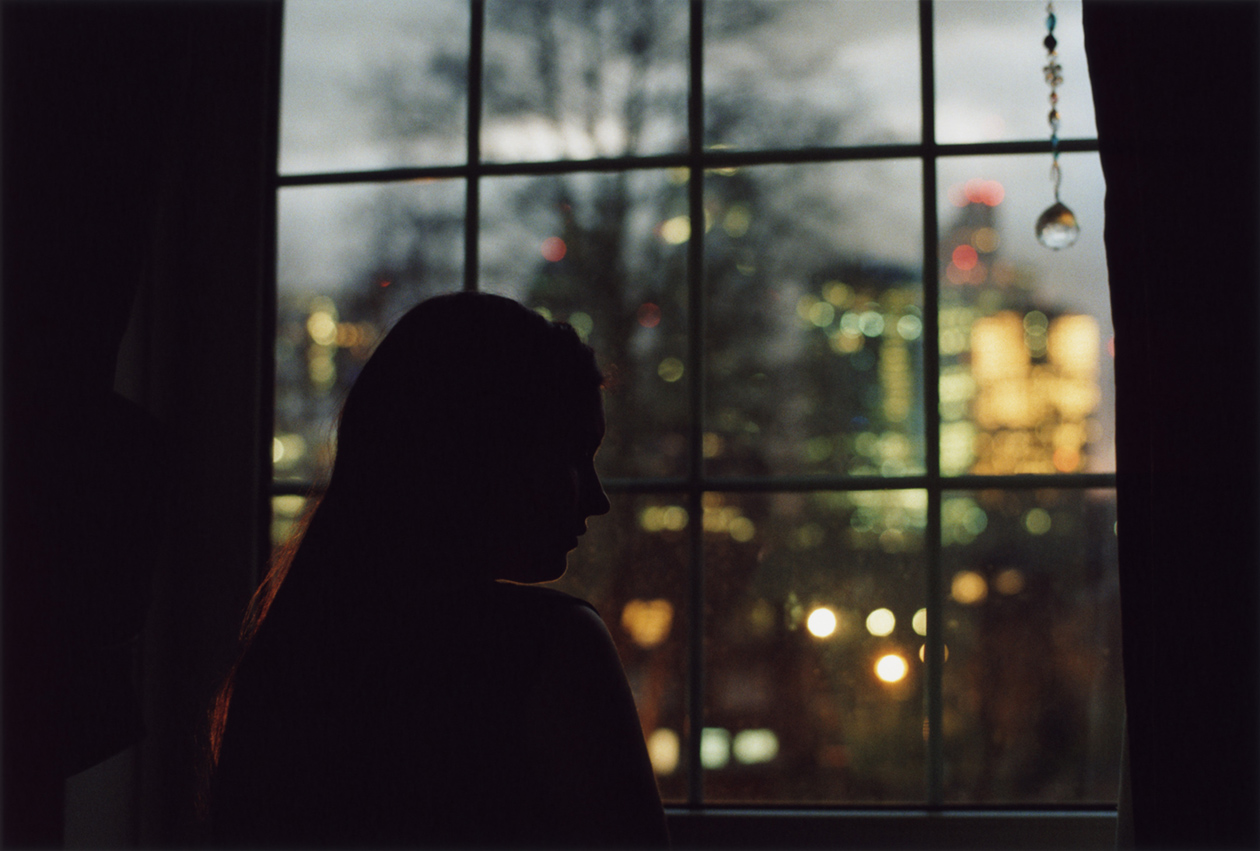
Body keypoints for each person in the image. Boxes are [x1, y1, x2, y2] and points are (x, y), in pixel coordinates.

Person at [208, 292, 669, 848]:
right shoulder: (550, 649)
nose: (596, 499)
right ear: (488, 456)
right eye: (572, 455)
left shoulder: (288, 660)